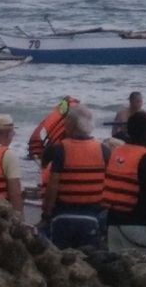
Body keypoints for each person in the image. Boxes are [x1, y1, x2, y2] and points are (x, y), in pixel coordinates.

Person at [41, 106, 109, 248]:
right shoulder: (103, 150)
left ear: (71, 125)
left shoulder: (60, 149)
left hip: (64, 212)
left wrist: (46, 214)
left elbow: (53, 185)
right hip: (94, 214)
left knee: (61, 255)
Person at [102, 111, 146, 253]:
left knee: (116, 264)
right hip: (139, 226)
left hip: (113, 223)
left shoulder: (116, 152)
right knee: (141, 265)